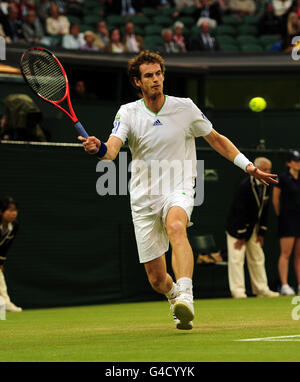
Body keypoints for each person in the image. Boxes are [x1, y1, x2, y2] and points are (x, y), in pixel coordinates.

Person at [78, 51, 278, 330]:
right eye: (149, 76)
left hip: (179, 187)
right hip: (143, 198)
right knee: (157, 280)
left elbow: (216, 140)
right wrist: (97, 148)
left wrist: (247, 166)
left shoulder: (185, 107)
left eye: (159, 73)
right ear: (138, 82)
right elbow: (111, 151)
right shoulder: (128, 112)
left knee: (176, 225)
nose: (156, 79)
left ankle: (186, 294)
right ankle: (174, 296)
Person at [226, 157, 280, 298]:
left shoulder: (267, 185)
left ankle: (261, 289)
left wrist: (261, 232)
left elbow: (265, 211)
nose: (268, 172)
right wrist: (240, 235)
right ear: (256, 169)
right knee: (236, 259)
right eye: (265, 169)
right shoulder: (244, 186)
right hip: (237, 228)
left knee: (257, 257)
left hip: (253, 229)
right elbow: (239, 211)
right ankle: (238, 291)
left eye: (269, 169)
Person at [273, 150, 300, 296]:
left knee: (299, 254)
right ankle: (284, 285)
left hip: (299, 219)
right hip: (287, 219)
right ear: (288, 163)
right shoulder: (282, 178)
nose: (298, 163)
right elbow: (275, 200)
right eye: (295, 161)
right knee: (286, 253)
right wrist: (281, 215)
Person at [0, 196, 22, 312]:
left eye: (15, 210)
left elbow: (6, 246)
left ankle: (4, 304)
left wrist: (1, 262)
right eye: (10, 210)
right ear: (1, 211)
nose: (13, 213)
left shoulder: (14, 226)